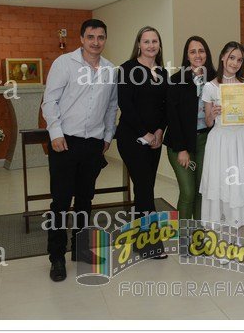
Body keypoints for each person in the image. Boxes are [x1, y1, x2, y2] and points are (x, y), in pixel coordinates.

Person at [41, 18, 118, 282]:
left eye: (101, 37)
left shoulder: (110, 70)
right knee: (61, 202)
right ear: (82, 39)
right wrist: (55, 132)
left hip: (93, 143)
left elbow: (111, 106)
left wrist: (107, 136)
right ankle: (56, 256)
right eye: (91, 37)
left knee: (85, 200)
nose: (96, 42)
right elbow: (50, 100)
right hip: (65, 142)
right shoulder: (64, 63)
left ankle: (81, 248)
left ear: (105, 40)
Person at [199, 42, 244, 240]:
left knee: (241, 188)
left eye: (239, 60)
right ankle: (222, 240)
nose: (235, 63)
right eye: (232, 57)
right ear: (223, 57)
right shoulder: (210, 87)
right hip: (221, 142)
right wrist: (213, 114)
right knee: (223, 187)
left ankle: (238, 239)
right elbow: (208, 122)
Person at [116, 26, 168, 257]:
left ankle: (140, 238)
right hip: (131, 138)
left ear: (159, 45)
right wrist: (144, 133)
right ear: (139, 44)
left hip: (155, 139)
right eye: (146, 41)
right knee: (145, 188)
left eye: (154, 41)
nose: (150, 45)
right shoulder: (127, 69)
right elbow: (125, 105)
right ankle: (151, 243)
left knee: (144, 188)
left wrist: (159, 131)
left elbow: (165, 106)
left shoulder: (162, 73)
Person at [163, 36, 216, 220]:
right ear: (187, 56)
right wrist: (181, 149)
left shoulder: (216, 79)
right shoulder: (176, 80)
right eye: (193, 52)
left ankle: (198, 233)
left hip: (205, 141)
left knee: (202, 191)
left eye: (201, 51)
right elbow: (172, 118)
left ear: (207, 53)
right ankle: (183, 235)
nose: (197, 55)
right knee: (188, 192)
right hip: (181, 143)